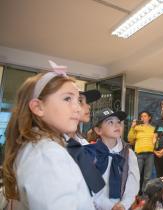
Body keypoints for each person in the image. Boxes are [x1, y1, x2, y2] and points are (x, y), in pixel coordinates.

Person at [2, 70, 95, 209]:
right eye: (67, 99)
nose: (77, 108)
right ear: (38, 107)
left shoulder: (39, 147)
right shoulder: (48, 155)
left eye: (77, 100)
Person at [86, 108, 140, 210]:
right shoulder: (89, 152)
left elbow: (133, 182)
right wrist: (110, 206)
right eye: (110, 122)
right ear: (98, 130)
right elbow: (89, 186)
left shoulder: (128, 153)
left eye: (119, 122)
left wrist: (123, 205)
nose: (116, 125)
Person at [128, 111, 155, 195]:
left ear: (149, 117)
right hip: (139, 154)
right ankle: (134, 194)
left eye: (145, 116)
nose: (143, 118)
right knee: (137, 175)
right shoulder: (136, 127)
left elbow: (156, 139)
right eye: (141, 116)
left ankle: (144, 194)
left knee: (147, 176)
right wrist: (132, 127)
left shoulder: (153, 128)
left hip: (150, 154)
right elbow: (130, 139)